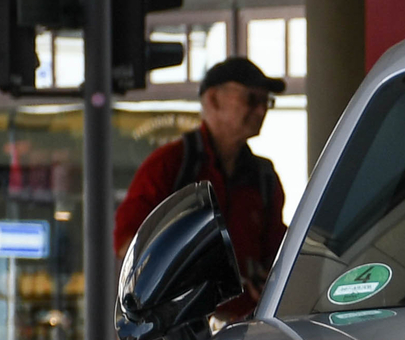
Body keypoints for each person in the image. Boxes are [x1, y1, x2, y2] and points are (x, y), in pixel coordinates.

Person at [113, 56, 288, 313]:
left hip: (243, 332)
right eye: (252, 99)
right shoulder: (171, 164)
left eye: (267, 102)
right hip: (180, 334)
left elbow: (276, 253)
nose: (262, 111)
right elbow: (127, 242)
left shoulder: (263, 176)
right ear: (214, 100)